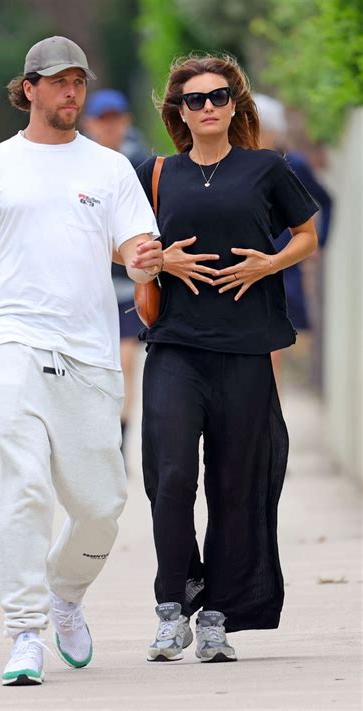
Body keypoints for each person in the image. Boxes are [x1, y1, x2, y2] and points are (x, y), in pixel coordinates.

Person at [0, 35, 162, 686]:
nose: (72, 91)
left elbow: (134, 248)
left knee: (101, 505)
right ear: (30, 88)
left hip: (90, 354)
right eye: (58, 81)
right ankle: (25, 630)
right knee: (24, 486)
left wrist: (146, 260)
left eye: (79, 81)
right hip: (10, 345)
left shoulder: (109, 168)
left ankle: (65, 594)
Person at [135, 55, 318, 663]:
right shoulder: (156, 173)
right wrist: (160, 260)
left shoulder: (267, 168)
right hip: (176, 348)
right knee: (171, 480)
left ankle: (217, 614)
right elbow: (121, 247)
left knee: (236, 486)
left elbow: (307, 236)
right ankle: (172, 605)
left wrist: (270, 263)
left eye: (218, 96)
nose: (208, 106)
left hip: (244, 350)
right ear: (179, 112)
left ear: (235, 104)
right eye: (194, 100)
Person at [82, 89, 149, 451]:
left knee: (125, 362)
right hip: (86, 283)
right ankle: (92, 440)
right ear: (90, 123)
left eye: (115, 119)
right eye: (102, 120)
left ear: (126, 121)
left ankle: (118, 442)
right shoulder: (75, 162)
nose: (109, 127)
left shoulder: (141, 163)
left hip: (125, 282)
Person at [253, 94, 332, 386]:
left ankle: (272, 400)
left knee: (281, 330)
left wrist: (319, 243)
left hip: (288, 258)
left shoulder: (293, 164)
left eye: (260, 127)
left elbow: (326, 199)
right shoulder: (238, 165)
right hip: (250, 257)